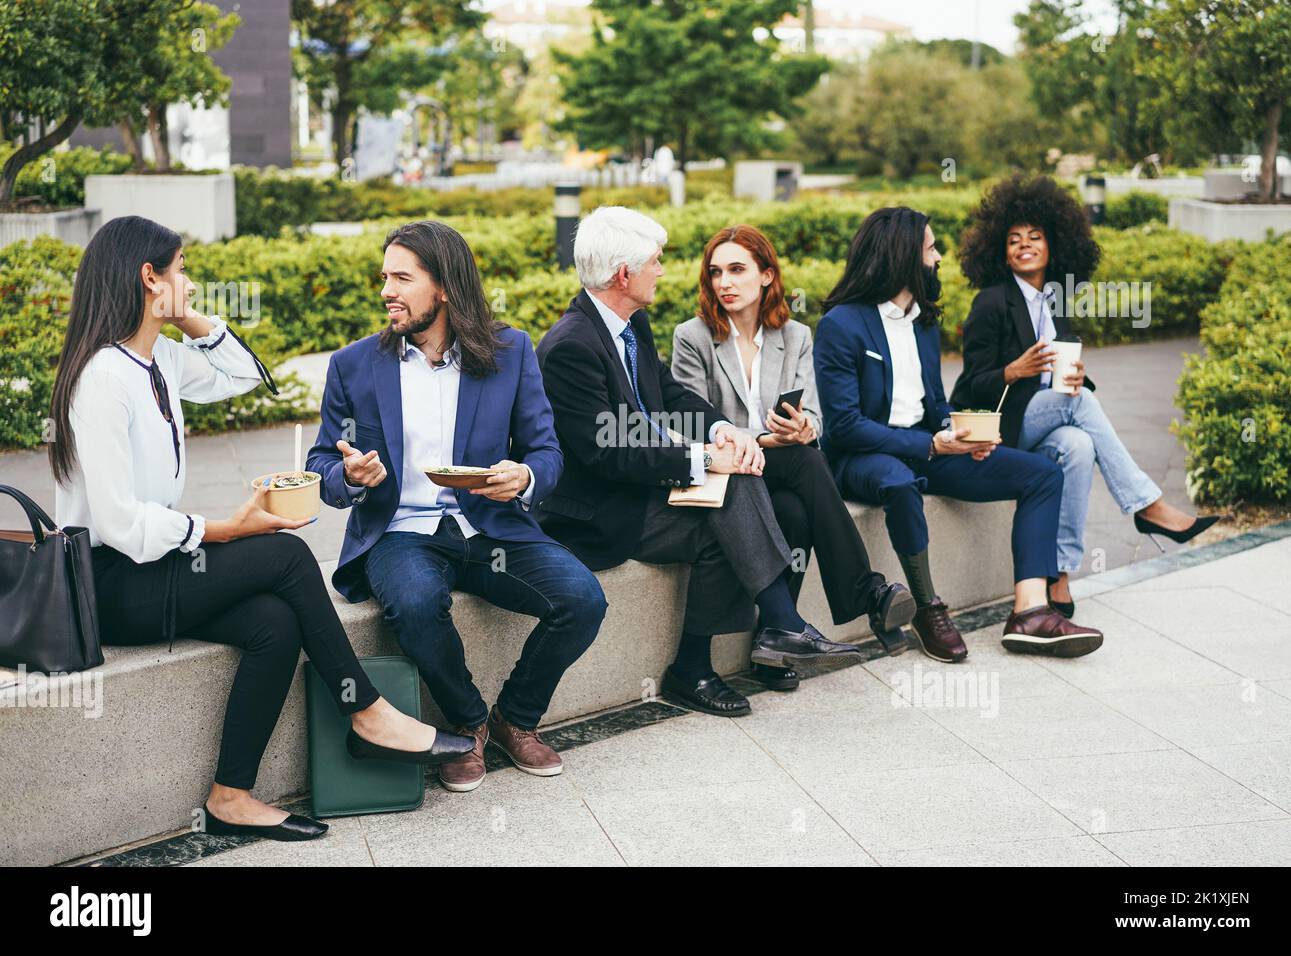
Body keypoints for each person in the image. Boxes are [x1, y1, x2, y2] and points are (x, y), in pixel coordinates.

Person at [51, 216, 471, 843]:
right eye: (181, 271)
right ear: (149, 277)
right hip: (111, 586)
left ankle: (231, 795)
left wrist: (184, 319)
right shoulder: (102, 380)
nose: (190, 284)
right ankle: (366, 711)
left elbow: (246, 375)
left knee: (274, 625)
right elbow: (121, 524)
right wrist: (225, 529)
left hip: (154, 572)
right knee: (285, 554)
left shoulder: (155, 357)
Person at [308, 220, 607, 793]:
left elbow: (546, 450)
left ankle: (515, 718)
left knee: (583, 599)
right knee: (417, 602)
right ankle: (468, 723)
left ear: (443, 285)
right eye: (384, 277)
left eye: (402, 278)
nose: (386, 291)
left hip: (490, 524)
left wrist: (522, 477)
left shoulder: (509, 349)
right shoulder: (353, 365)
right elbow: (323, 464)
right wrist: (347, 474)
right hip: (400, 531)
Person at [536, 206, 862, 717]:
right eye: (656, 262)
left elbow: (668, 396)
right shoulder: (569, 346)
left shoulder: (630, 323)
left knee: (733, 495)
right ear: (625, 274)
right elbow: (609, 450)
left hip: (647, 489)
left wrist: (721, 431)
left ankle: (707, 661)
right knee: (732, 486)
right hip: (601, 512)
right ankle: (767, 628)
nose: (662, 271)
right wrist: (704, 458)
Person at [813, 206, 1105, 662]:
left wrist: (962, 429)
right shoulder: (841, 325)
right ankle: (928, 608)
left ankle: (1030, 611)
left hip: (930, 446)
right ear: (905, 254)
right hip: (865, 454)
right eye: (931, 248)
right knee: (898, 483)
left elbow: (934, 404)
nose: (939, 257)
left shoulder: (925, 321)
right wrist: (930, 443)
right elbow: (845, 425)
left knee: (1043, 474)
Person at [951, 175, 1221, 616]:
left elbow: (1064, 385)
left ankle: (1059, 574)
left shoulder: (1054, 302)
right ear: (999, 250)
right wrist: (1013, 370)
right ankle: (1147, 505)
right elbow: (968, 387)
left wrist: (1078, 379)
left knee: (1078, 446)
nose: (1024, 244)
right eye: (1014, 239)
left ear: (1054, 245)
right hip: (996, 426)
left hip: (1042, 421)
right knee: (1079, 408)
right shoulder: (992, 301)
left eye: (1035, 237)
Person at [671, 224, 916, 677]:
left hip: (776, 470)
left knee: (796, 508)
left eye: (737, 269)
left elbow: (817, 418)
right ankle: (865, 591)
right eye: (716, 272)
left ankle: (774, 643)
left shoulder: (797, 336)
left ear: (766, 275)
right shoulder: (694, 337)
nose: (724, 282)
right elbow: (688, 426)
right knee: (805, 461)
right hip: (722, 472)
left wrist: (804, 428)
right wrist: (770, 439)